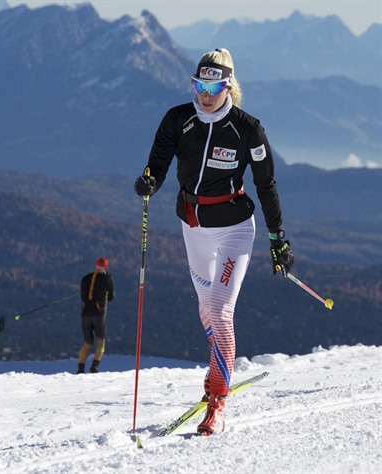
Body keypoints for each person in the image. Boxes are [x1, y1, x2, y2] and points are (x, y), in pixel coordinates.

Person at [134, 48, 294, 436]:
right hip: (193, 226)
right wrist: (149, 180)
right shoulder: (178, 118)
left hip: (235, 228)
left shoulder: (247, 129)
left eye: (215, 86)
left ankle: (216, 398)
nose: (206, 94)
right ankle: (222, 361)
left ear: (229, 86)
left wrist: (278, 240)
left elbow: (266, 185)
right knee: (208, 311)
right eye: (200, 85)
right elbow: (157, 161)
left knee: (221, 312)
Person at [77, 257, 114, 374]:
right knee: (100, 341)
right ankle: (94, 366)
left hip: (85, 314)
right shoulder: (106, 279)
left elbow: (82, 296)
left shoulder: (85, 278)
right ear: (106, 268)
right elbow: (111, 297)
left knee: (87, 342)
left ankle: (80, 368)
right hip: (98, 314)